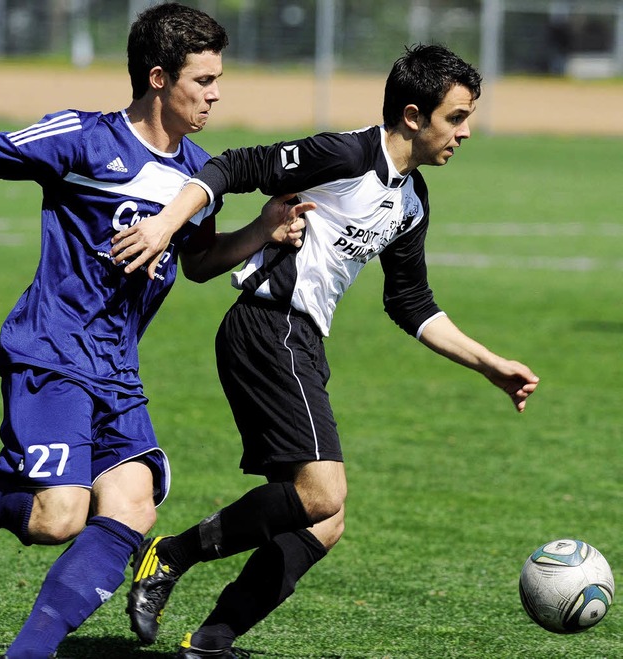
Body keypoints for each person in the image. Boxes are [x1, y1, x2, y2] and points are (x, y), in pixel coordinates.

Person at [112, 44, 540, 659]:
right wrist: (164, 226)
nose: (466, 131)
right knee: (322, 494)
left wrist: (490, 364)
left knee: (323, 521)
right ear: (414, 116)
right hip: (267, 327)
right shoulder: (345, 154)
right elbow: (234, 166)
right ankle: (171, 555)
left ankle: (211, 640)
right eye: (456, 117)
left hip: (302, 341)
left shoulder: (411, 199)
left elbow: (410, 302)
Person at [0, 3, 309, 657]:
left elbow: (199, 263)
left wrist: (262, 231)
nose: (216, 95)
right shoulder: (83, 140)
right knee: (59, 516)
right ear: (159, 78)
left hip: (117, 370)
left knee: (133, 507)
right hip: (52, 349)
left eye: (219, 80)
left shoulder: (200, 175)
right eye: (204, 81)